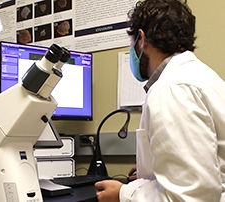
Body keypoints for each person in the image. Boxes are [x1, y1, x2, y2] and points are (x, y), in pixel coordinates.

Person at [95, 0, 225, 201]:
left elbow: (188, 197)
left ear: (142, 38)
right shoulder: (203, 77)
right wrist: (154, 168)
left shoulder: (172, 88)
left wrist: (123, 194)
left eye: (131, 42)